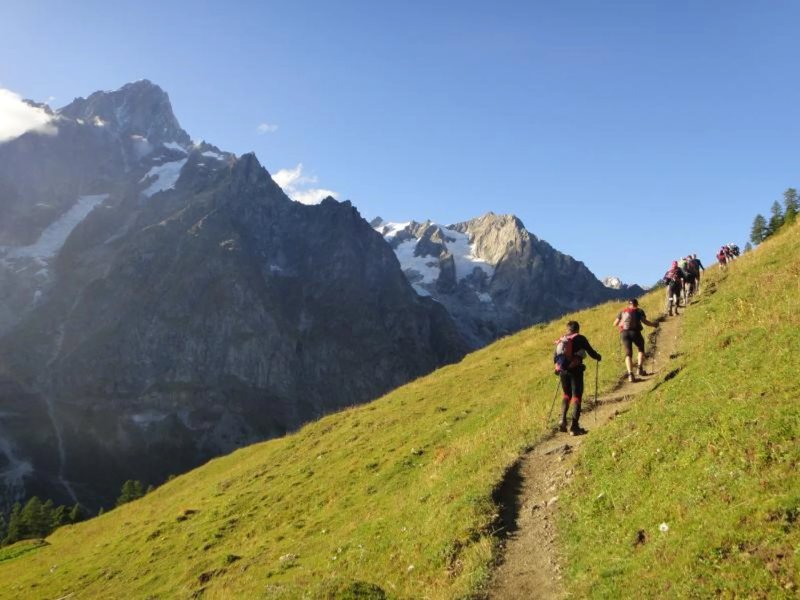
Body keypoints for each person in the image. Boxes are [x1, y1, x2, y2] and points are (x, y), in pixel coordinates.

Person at [553, 320, 601, 436]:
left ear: (567, 329)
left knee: (566, 395)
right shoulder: (580, 338)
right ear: (578, 329)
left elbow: (555, 357)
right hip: (576, 371)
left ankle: (563, 420)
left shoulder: (562, 339)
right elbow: (590, 352)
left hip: (563, 372)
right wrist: (598, 357)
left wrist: (560, 367)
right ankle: (574, 427)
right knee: (576, 396)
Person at [613, 298, 659, 383]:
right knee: (640, 349)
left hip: (624, 334)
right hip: (635, 333)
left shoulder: (622, 311)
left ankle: (630, 375)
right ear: (637, 304)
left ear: (628, 304)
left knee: (628, 354)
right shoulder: (639, 311)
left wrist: (622, 324)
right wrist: (654, 325)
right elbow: (645, 322)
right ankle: (640, 369)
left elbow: (615, 324)